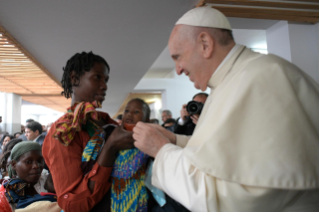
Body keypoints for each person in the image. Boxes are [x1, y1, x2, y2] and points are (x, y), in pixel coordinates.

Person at [133, 7, 319, 212]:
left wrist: (161, 150)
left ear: (205, 44)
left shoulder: (263, 77)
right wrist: (174, 140)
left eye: (178, 57)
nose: (177, 69)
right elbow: (221, 154)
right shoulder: (229, 83)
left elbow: (235, 198)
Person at [42, 51, 135, 212]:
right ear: (74, 78)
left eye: (106, 80)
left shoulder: (106, 122)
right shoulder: (64, 131)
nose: (104, 85)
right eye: (97, 77)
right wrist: (109, 148)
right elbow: (71, 203)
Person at [111, 98, 152, 211]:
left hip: (137, 199)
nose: (129, 115)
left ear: (147, 120)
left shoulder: (149, 142)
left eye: (136, 112)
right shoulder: (112, 136)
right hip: (112, 197)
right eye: (127, 111)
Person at [3, 142, 59, 211]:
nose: (36, 166)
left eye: (40, 161)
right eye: (28, 162)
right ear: (14, 164)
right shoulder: (7, 191)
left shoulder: (50, 181)